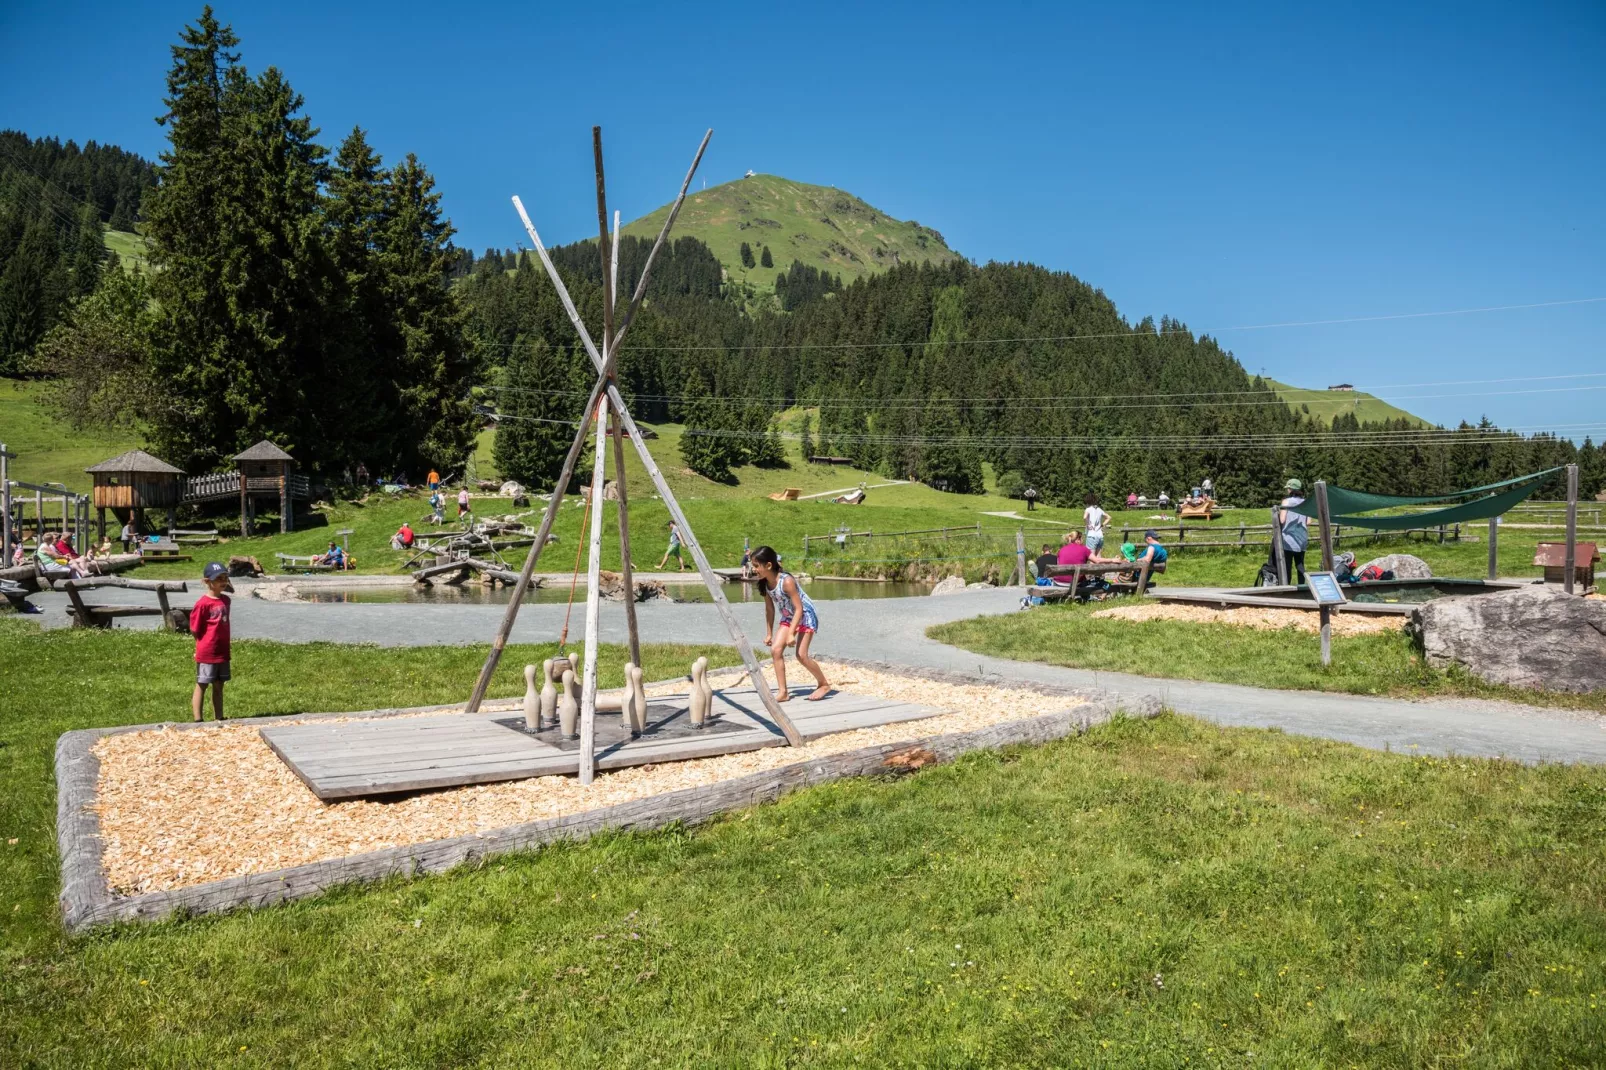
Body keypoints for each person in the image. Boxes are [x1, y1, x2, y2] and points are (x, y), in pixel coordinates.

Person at [750, 545, 830, 702]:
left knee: (801, 655)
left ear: (768, 565)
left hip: (805, 615)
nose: (754, 569)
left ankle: (824, 684)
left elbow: (799, 608)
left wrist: (792, 634)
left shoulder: (787, 581)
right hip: (788, 617)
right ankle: (783, 692)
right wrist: (769, 633)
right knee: (776, 650)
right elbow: (770, 610)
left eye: (756, 566)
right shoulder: (765, 584)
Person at [190, 562, 233, 722]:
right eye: (218, 579)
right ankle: (198, 720)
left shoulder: (226, 601)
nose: (223, 581)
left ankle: (219, 717)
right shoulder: (202, 604)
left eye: (225, 578)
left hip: (222, 651)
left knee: (219, 685)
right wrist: (200, 645)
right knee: (202, 683)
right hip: (207, 651)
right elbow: (195, 628)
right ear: (207, 581)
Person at [1276, 478, 1310, 584]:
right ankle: (1302, 586)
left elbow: (1282, 520)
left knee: (1287, 565)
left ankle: (1287, 587)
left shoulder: (1286, 502)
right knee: (1300, 564)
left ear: (1290, 489)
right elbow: (1308, 521)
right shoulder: (1306, 503)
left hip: (1289, 538)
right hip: (1302, 537)